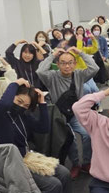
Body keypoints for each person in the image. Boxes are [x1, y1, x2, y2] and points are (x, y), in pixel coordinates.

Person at [0, 78, 72, 193]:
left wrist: (42, 103)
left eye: (26, 105)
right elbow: (5, 103)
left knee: (64, 173)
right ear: (11, 95)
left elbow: (44, 128)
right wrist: (16, 83)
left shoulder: (21, 116)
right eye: (19, 101)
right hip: (7, 164)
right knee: (53, 185)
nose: (21, 106)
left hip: (25, 159)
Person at [36, 47, 99, 179]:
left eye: (70, 62)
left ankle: (86, 162)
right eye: (63, 63)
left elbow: (95, 68)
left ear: (75, 64)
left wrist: (80, 53)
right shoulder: (52, 77)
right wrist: (52, 55)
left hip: (76, 114)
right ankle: (76, 164)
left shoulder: (79, 75)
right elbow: (40, 71)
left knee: (87, 134)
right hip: (59, 115)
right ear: (58, 64)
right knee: (70, 138)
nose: (67, 66)